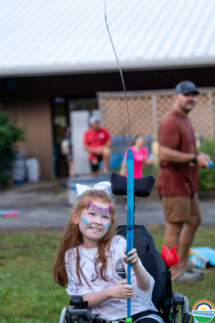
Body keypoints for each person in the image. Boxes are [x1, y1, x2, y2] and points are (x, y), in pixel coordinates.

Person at [54, 182, 163, 323]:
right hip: (101, 319)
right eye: (92, 214)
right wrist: (110, 292)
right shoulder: (72, 256)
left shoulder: (119, 244)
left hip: (139, 313)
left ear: (110, 222)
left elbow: (145, 288)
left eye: (105, 216)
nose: (98, 221)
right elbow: (83, 300)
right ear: (76, 217)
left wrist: (135, 265)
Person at [156, 80, 211, 282]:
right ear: (176, 97)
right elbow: (165, 153)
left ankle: (182, 265)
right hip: (173, 183)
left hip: (187, 184)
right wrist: (194, 159)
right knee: (174, 226)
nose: (191, 98)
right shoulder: (171, 120)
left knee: (195, 219)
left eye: (193, 95)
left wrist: (199, 154)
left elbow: (186, 150)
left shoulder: (185, 120)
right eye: (186, 95)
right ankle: (170, 273)